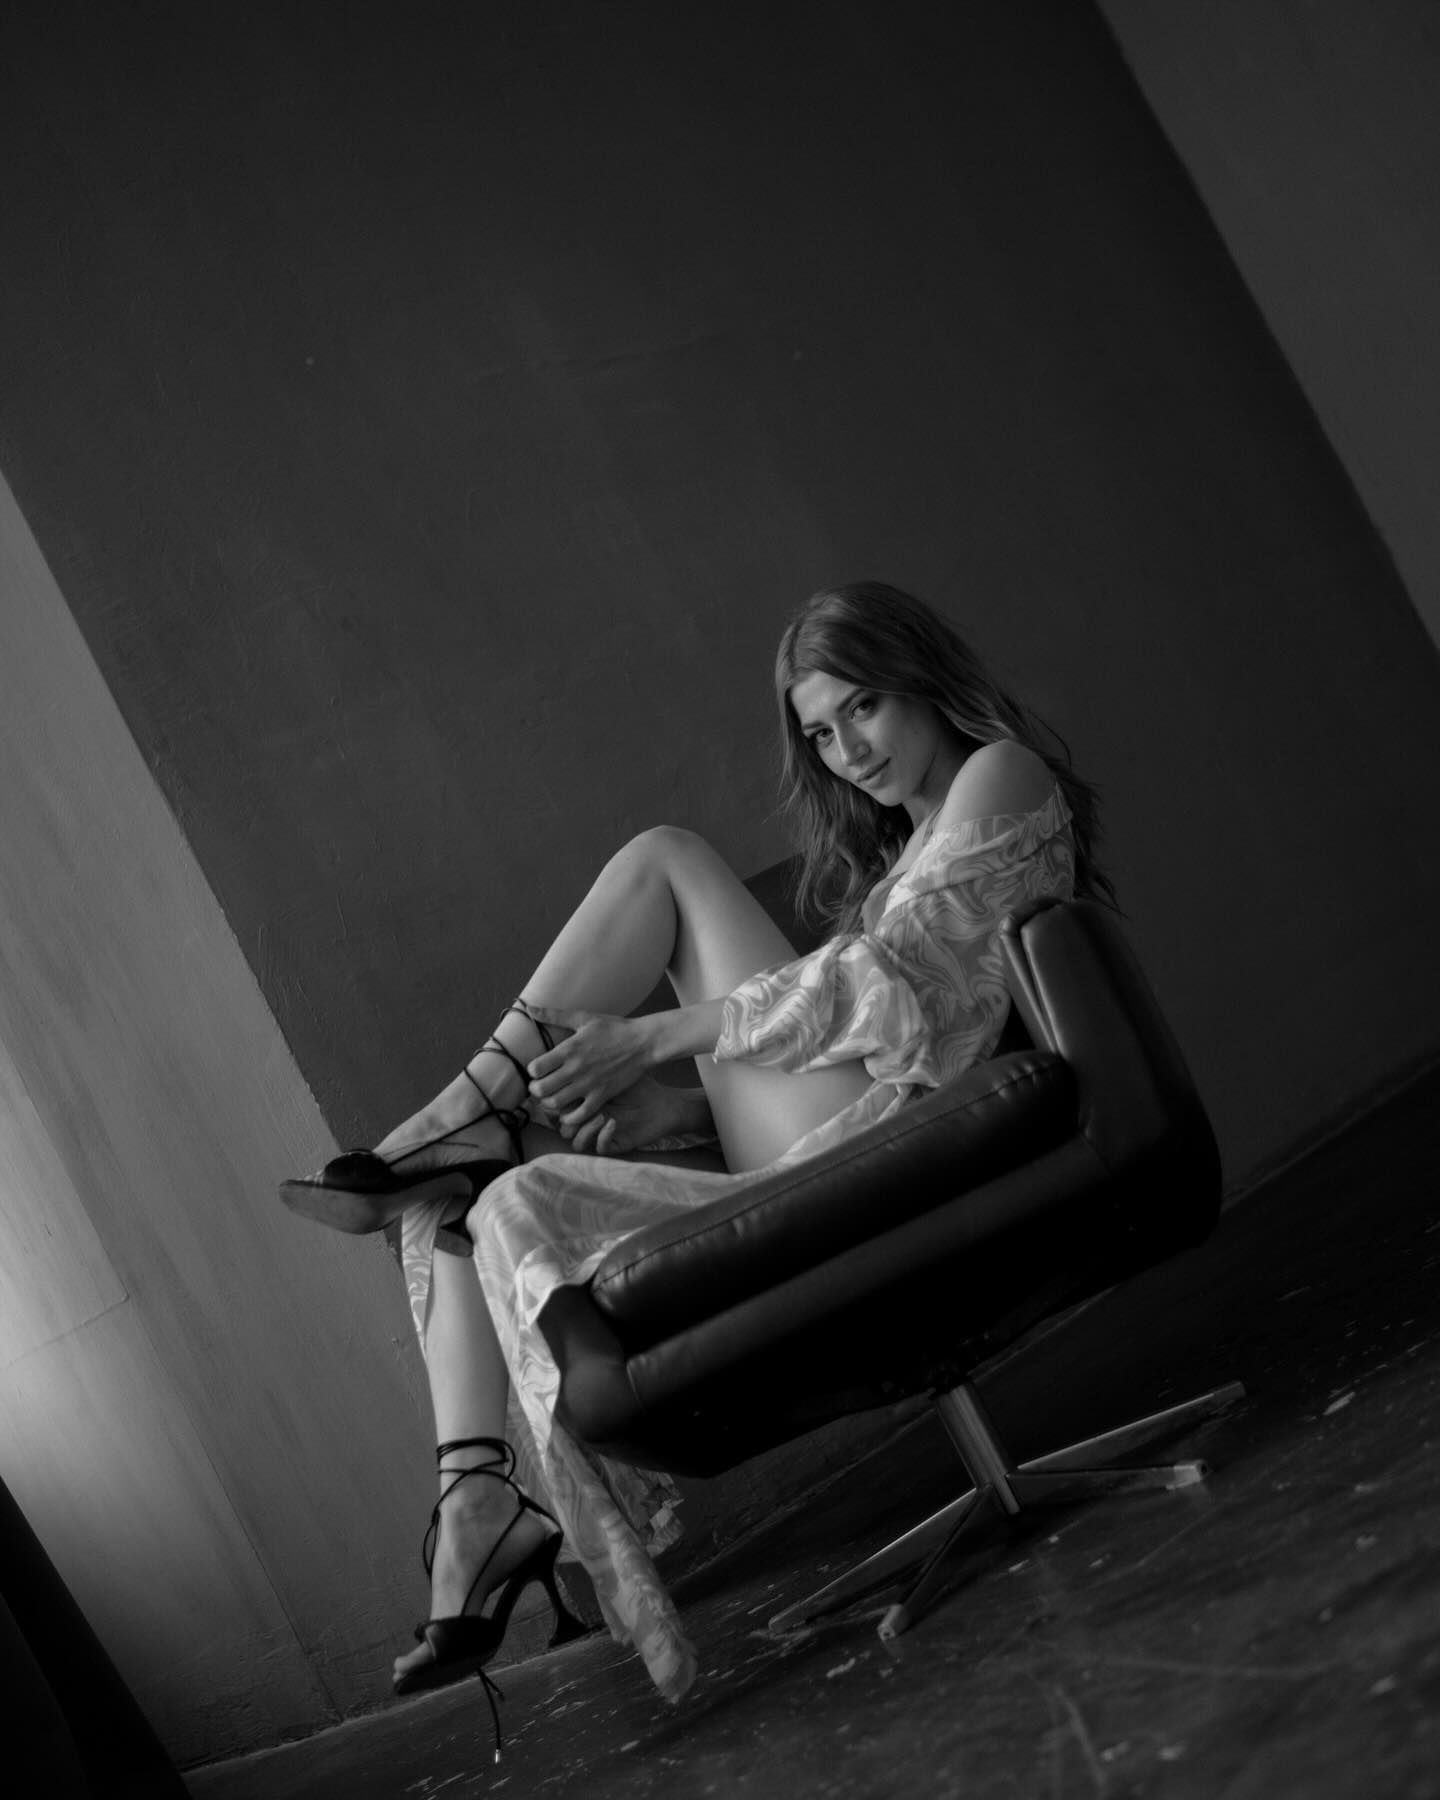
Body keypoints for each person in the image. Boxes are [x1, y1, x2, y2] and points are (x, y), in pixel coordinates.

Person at [281, 580, 1113, 1721]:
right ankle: (475, 1494)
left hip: (903, 1138)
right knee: (468, 1194)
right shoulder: (912, 842)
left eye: (862, 707)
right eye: (820, 733)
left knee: (667, 860)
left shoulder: (1001, 773)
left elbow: (894, 992)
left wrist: (655, 1036)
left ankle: (466, 1115)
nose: (848, 750)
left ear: (922, 679)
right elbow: (866, 1023)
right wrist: (671, 1119)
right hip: (872, 1124)